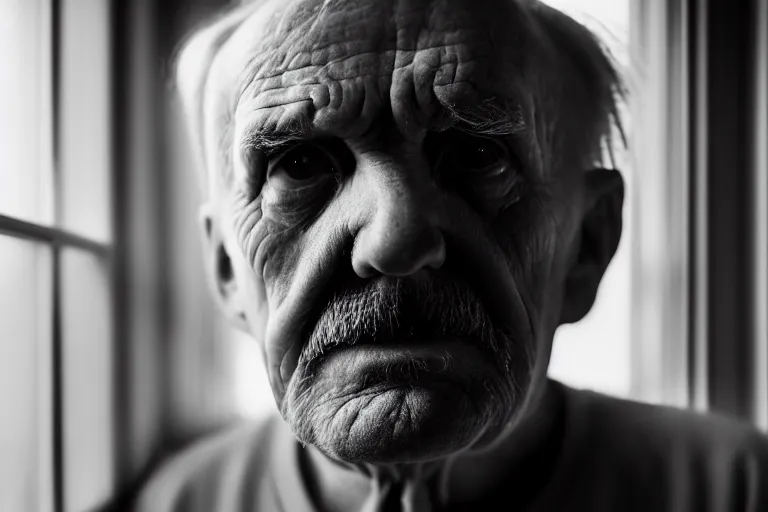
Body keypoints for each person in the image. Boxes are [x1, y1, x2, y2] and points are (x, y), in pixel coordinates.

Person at [137, 0, 768, 510]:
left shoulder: (735, 488)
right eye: (298, 165)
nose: (394, 241)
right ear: (225, 267)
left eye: (477, 156)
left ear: (587, 244)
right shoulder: (180, 502)